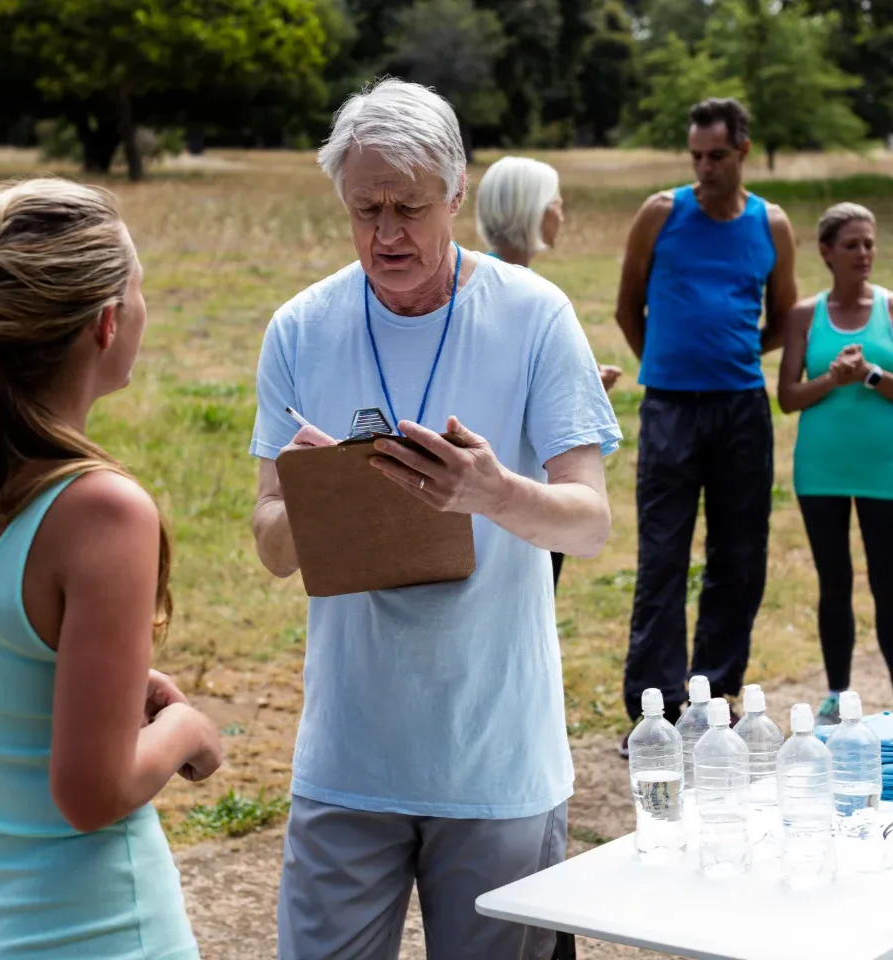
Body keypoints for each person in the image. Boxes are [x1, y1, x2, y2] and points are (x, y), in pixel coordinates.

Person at [251, 79, 621, 960]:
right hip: (348, 755)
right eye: (363, 208)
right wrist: (312, 497)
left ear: (458, 195)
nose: (385, 235)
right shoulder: (301, 328)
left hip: (497, 758)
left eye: (409, 208)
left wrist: (492, 493)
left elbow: (590, 524)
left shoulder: (535, 317)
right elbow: (270, 548)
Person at [0, 179, 222, 959]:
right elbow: (91, 795)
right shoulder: (105, 513)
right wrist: (186, 727)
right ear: (106, 322)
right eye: (140, 288)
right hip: (91, 933)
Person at [615, 97, 798, 757]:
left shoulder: (770, 225)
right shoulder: (662, 213)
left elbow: (782, 317)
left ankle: (716, 701)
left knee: (739, 559)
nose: (704, 168)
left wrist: (734, 358)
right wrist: (665, 367)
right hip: (670, 407)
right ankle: (651, 713)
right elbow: (626, 306)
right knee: (661, 558)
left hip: (742, 410)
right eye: (695, 156)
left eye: (716, 156)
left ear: (742, 151)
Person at [475, 155, 622, 591]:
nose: (561, 212)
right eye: (555, 202)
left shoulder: (514, 290)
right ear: (533, 209)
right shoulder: (498, 294)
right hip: (507, 493)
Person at [778, 203, 893, 725]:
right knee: (834, 581)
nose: (864, 254)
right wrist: (833, 380)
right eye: (852, 245)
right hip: (821, 468)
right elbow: (788, 396)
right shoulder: (804, 315)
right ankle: (837, 692)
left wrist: (868, 374)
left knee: (887, 582)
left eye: (868, 243)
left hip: (883, 468)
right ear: (826, 252)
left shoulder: (892, 309)